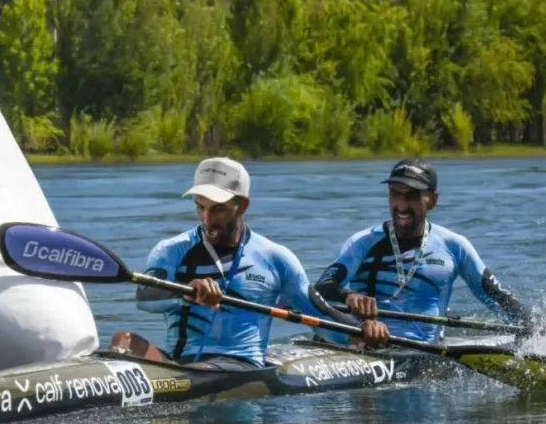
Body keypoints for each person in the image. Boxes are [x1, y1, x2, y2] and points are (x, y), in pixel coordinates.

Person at [109, 157, 389, 369]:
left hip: (240, 369)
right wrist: (185, 292)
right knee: (124, 340)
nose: (206, 219)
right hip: (179, 365)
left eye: (217, 209)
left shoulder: (275, 258)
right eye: (200, 206)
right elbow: (145, 298)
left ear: (242, 205)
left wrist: (360, 331)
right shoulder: (172, 250)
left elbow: (320, 314)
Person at [312, 159, 535, 346]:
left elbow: (496, 296)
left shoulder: (455, 246)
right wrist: (349, 296)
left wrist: (536, 329)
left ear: (433, 200)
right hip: (362, 342)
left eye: (412, 196)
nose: (401, 205)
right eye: (395, 194)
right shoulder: (361, 243)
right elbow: (322, 287)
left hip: (422, 352)